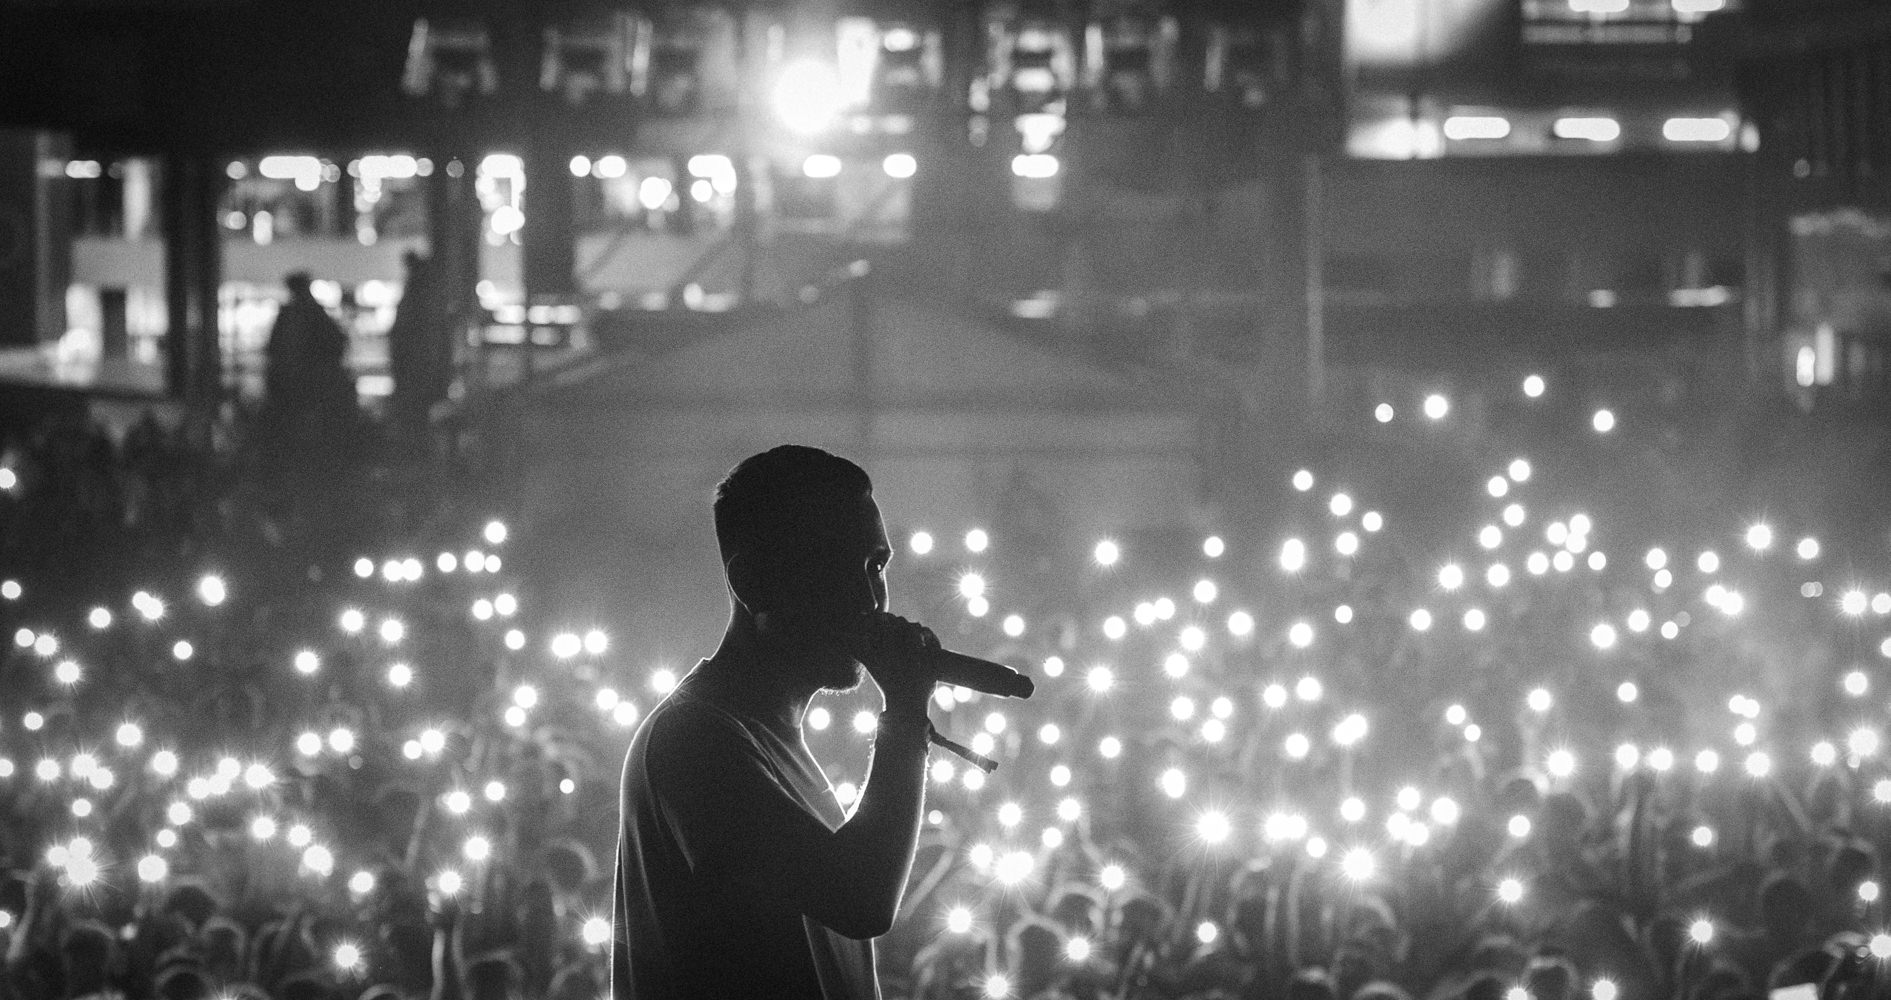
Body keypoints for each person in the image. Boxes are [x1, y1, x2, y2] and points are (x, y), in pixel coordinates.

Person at [612, 445, 937, 999]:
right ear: (754, 582)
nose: (871, 598)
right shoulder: (695, 739)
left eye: (877, 567)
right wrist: (905, 713)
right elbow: (861, 898)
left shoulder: (763, 738)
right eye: (838, 568)